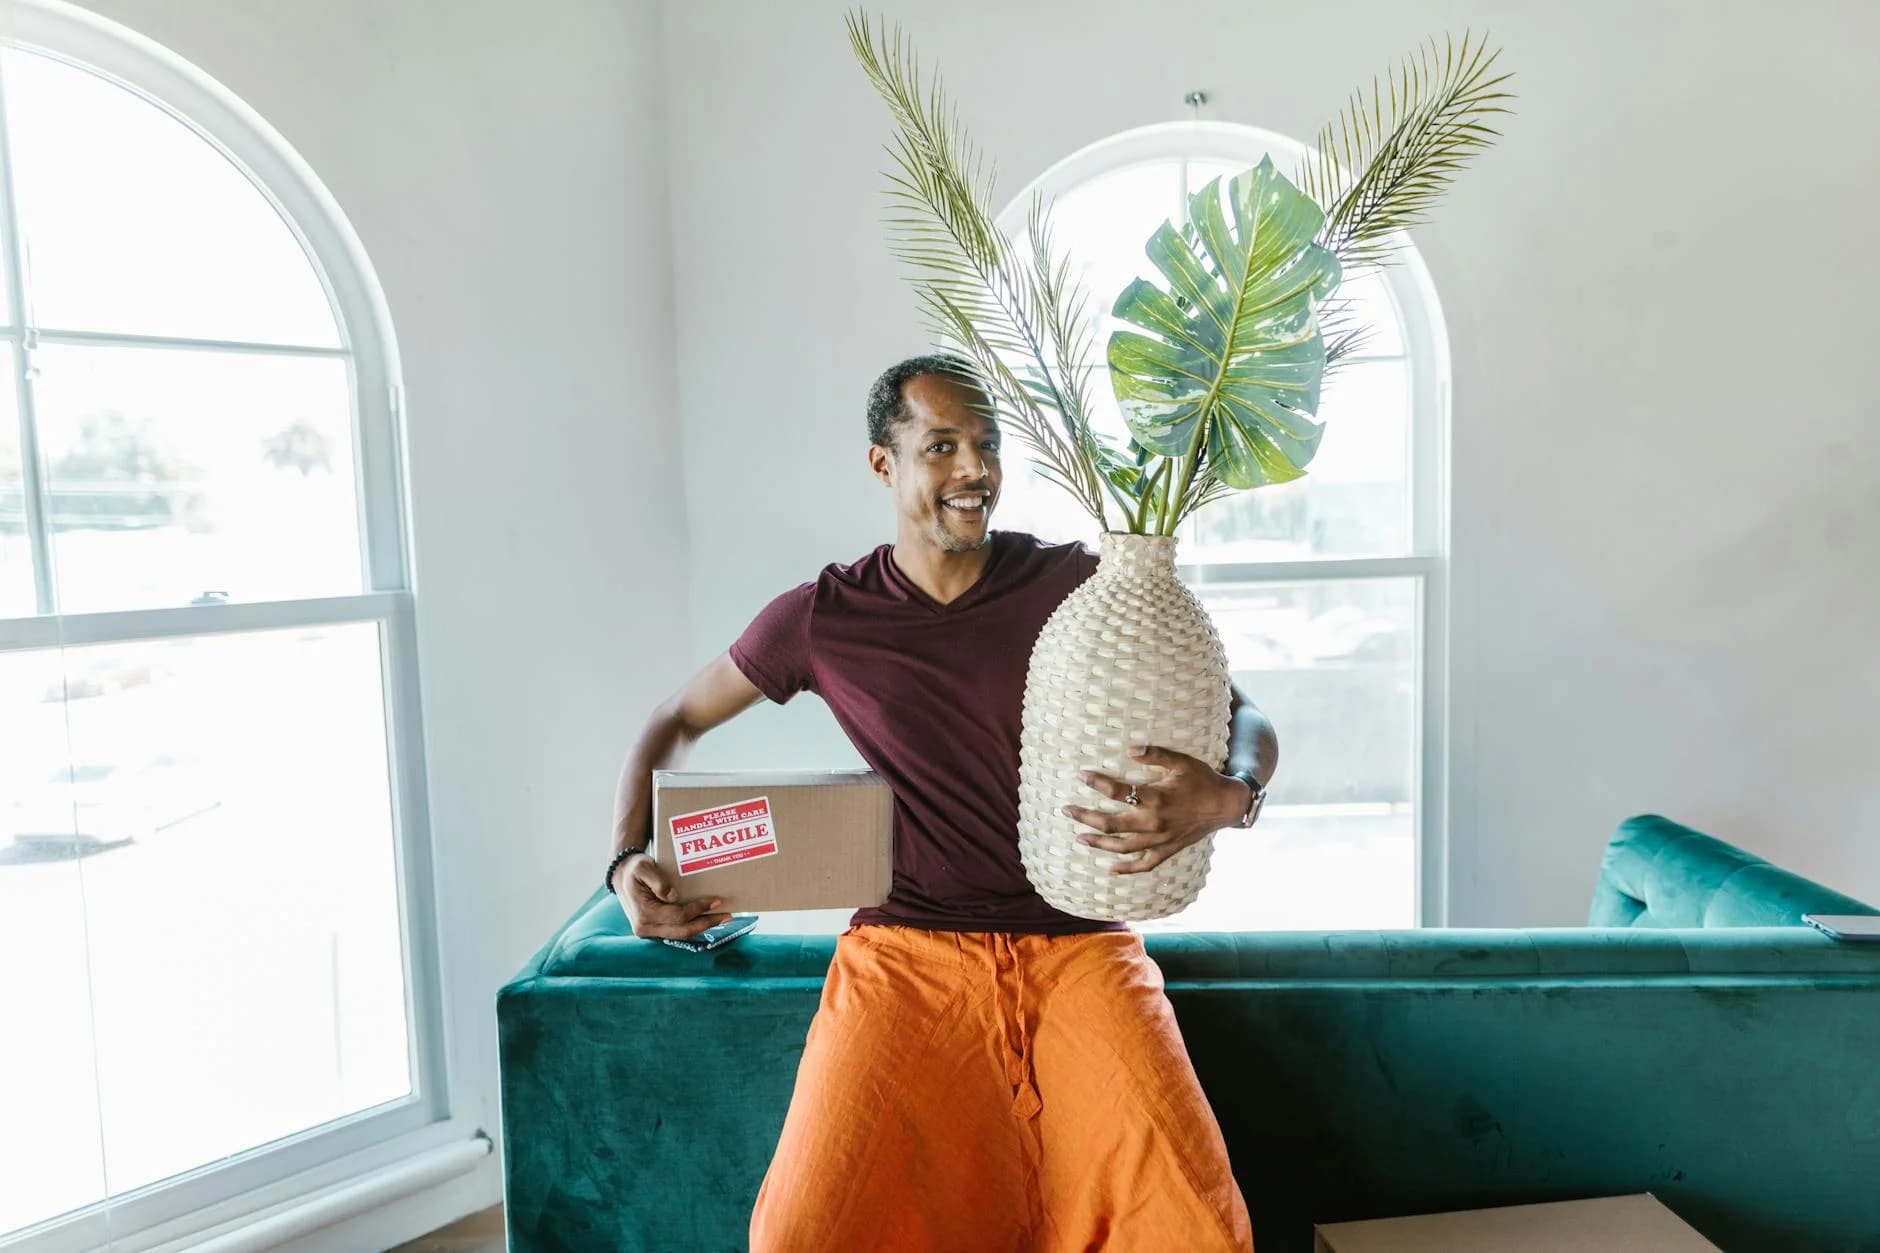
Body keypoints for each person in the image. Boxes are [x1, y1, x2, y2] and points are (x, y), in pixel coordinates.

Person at [607, 354, 1277, 1252]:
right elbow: (675, 717)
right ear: (884, 462)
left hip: (1083, 942)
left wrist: (1231, 796)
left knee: (1200, 1226)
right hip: (903, 950)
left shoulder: (1080, 586)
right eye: (943, 445)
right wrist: (624, 861)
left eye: (988, 445)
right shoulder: (823, 617)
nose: (975, 469)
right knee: (796, 1235)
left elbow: (1245, 713)